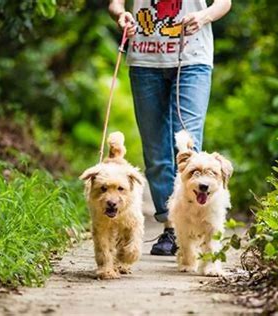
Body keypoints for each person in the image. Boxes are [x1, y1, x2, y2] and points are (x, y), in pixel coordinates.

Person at [108, 0, 232, 256]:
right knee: (155, 152)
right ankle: (172, 227)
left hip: (193, 59)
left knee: (188, 144)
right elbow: (115, 4)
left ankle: (197, 223)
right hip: (144, 60)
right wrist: (122, 16)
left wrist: (203, 16)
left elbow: (224, 3)